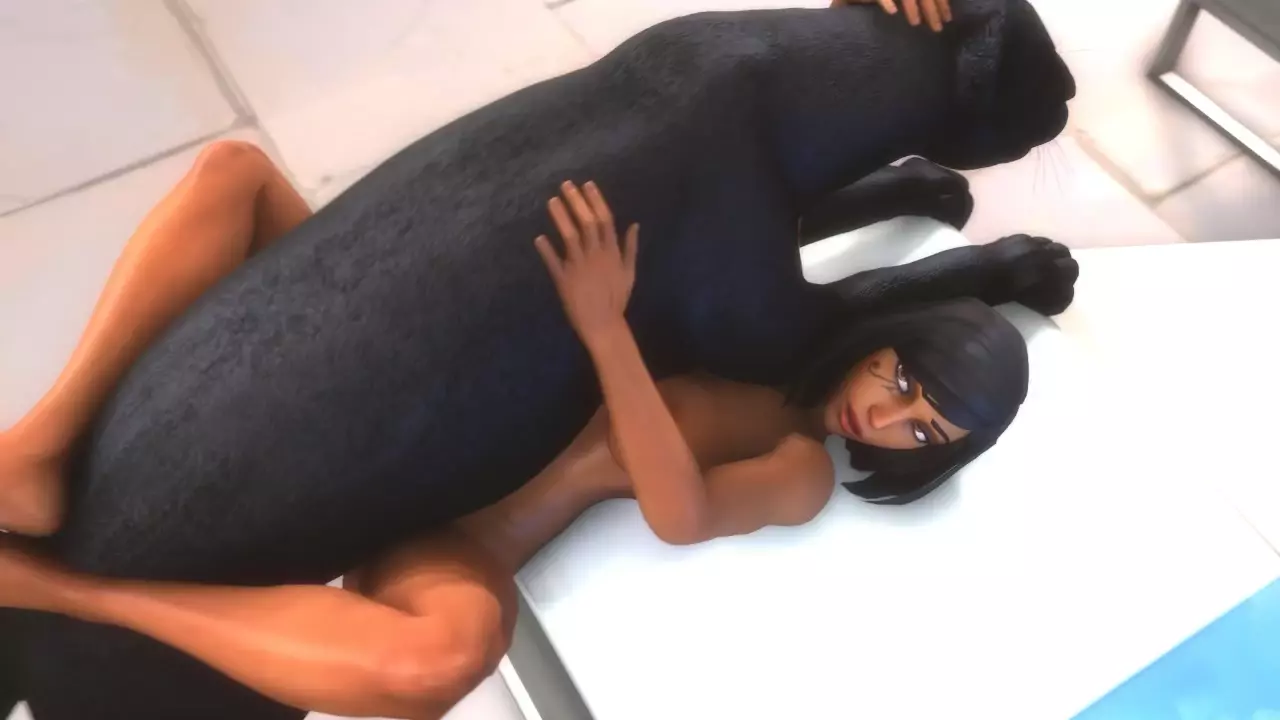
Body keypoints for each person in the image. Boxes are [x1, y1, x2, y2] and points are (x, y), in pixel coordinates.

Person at [1, 150, 1041, 718]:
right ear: (882, 344)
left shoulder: (800, 465)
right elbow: (755, 206)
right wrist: (906, 175)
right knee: (235, 177)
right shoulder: (775, 338)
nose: (885, 417)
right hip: (420, 413)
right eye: (903, 380)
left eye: (921, 432)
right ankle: (37, 448)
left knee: (437, 663)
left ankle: (63, 591)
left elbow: (680, 513)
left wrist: (606, 330)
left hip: (457, 534)